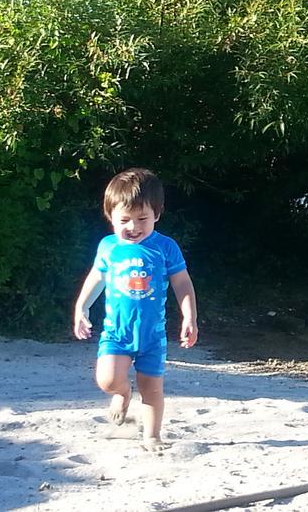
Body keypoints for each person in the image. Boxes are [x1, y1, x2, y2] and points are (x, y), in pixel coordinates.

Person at [73, 167, 198, 451]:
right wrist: (82, 307)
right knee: (107, 380)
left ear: (157, 213)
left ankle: (152, 436)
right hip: (116, 331)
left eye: (143, 218)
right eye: (124, 220)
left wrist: (189, 316)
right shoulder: (108, 247)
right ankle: (122, 393)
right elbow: (96, 278)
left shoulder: (165, 247)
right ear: (111, 217)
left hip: (152, 336)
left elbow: (182, 283)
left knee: (152, 389)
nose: (134, 226)